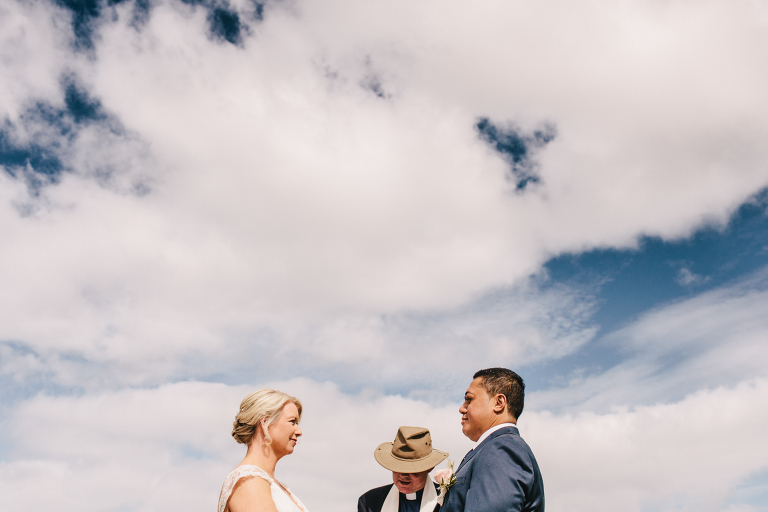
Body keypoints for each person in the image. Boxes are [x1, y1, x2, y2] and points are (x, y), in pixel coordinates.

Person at [440, 368, 544, 512]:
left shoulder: (501, 450)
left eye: (469, 400)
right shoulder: (495, 449)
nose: (461, 409)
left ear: (499, 403)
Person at [217, 389, 308, 512]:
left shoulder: (273, 485)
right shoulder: (249, 481)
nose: (299, 432)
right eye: (292, 421)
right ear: (266, 423)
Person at [358, 426, 449, 512]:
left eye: (411, 469)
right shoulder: (370, 502)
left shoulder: (448, 500)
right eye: (398, 467)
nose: (403, 475)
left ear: (429, 467)